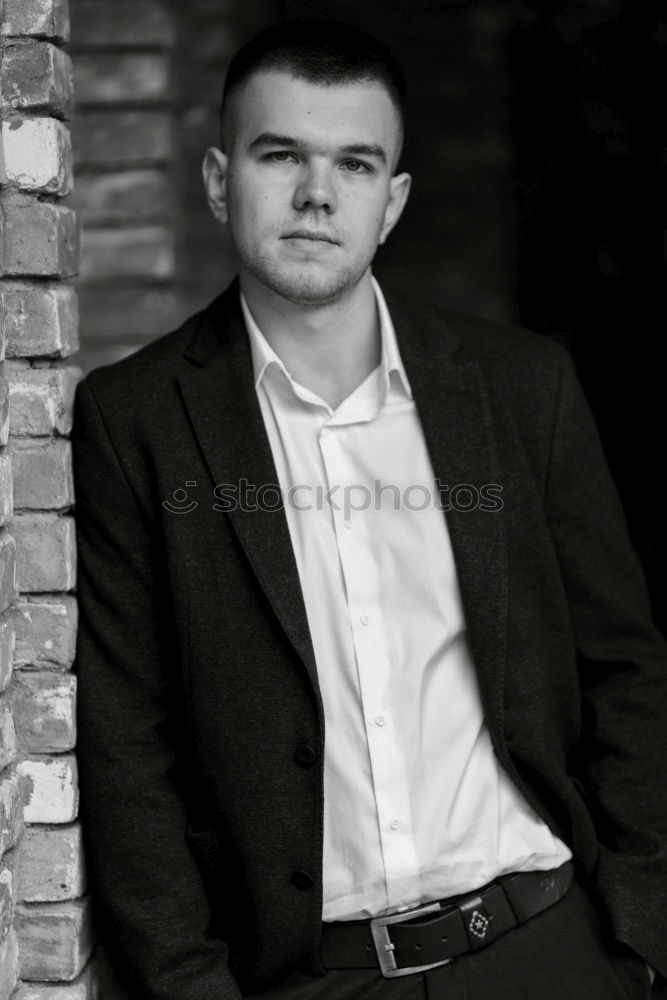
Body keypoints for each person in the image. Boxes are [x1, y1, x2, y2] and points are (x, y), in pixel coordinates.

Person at [72, 19, 667, 1000]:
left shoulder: (521, 388)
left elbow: (626, 668)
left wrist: (637, 933)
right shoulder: (135, 420)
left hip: (549, 950)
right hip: (314, 982)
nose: (317, 195)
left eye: (354, 164)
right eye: (281, 157)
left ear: (390, 202)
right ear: (220, 178)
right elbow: (127, 748)